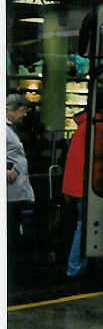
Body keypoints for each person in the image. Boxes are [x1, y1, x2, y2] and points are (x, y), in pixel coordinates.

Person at [62, 86, 103, 277]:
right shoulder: (99, 125)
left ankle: (86, 264)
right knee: (84, 225)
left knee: (83, 224)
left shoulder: (85, 123)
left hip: (76, 184)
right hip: (89, 184)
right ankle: (75, 268)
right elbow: (101, 149)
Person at [7, 93, 36, 262]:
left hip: (14, 190)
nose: (24, 115)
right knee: (10, 228)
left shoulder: (10, 127)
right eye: (22, 110)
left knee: (13, 225)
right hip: (10, 190)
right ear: (11, 110)